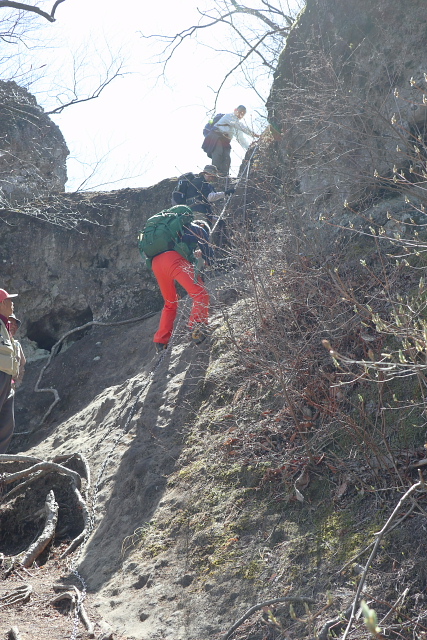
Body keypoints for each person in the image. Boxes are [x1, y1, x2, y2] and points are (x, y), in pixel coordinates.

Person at [151, 217, 212, 352]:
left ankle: (161, 341)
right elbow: (208, 257)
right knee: (200, 293)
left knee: (170, 302)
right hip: (172, 259)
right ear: (201, 224)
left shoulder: (176, 233)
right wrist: (208, 259)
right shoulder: (199, 228)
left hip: (156, 262)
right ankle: (197, 327)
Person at [202, 105, 259, 176]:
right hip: (216, 136)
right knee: (218, 153)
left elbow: (241, 139)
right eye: (240, 112)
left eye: (243, 114)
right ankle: (213, 172)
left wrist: (249, 147)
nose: (240, 115)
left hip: (225, 141)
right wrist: (255, 134)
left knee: (227, 157)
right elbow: (242, 127)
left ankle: (224, 175)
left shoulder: (236, 125)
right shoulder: (229, 116)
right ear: (235, 110)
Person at [0, 288, 20, 453]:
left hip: (7, 377)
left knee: (6, 424)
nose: (12, 304)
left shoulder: (5, 324)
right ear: (3, 303)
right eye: (10, 300)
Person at [8, 313, 26, 387]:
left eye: (16, 325)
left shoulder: (17, 345)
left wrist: (17, 383)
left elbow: (22, 364)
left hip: (9, 387)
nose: (14, 326)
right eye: (11, 323)